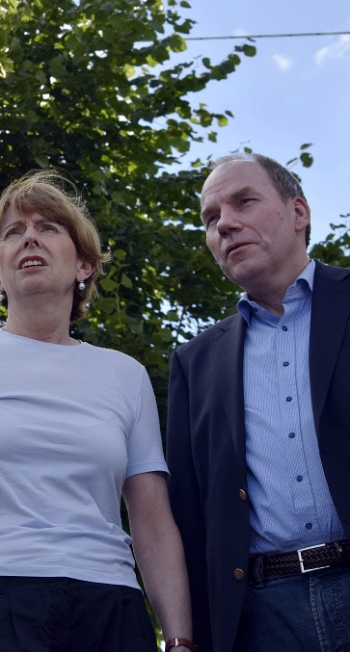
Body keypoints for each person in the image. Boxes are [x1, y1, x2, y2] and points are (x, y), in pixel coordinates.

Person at [0, 170, 193, 651]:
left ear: (85, 265)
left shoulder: (126, 375)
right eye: (13, 232)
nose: (29, 236)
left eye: (48, 227)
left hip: (112, 606)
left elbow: (152, 521)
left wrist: (180, 640)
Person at [166, 152, 350, 652]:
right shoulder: (193, 363)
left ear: (298, 213)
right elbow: (188, 513)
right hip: (262, 619)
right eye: (210, 219)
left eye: (243, 202)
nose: (225, 224)